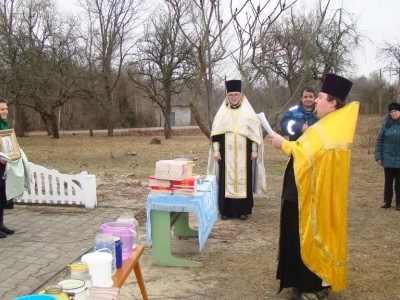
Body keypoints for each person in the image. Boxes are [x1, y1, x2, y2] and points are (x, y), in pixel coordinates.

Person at [269, 73, 358, 299]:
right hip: (300, 191)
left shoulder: (328, 128)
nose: (315, 100)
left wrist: (283, 145)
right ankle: (300, 281)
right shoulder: (328, 125)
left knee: (307, 236)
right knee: (296, 235)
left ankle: (312, 287)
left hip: (310, 196)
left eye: (320, 97)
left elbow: (307, 156)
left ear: (333, 103)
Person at [207, 80, 267, 220]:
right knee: (225, 179)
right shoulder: (222, 114)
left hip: (244, 153)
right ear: (227, 96)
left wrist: (254, 149)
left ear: (241, 95)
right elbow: (216, 134)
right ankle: (226, 210)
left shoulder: (248, 114)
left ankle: (242, 210)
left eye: (236, 94)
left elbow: (254, 135)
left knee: (243, 178)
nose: (234, 97)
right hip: (226, 154)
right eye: (231, 95)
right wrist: (216, 150)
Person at [375, 102, 400, 211]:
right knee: (388, 182)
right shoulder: (386, 125)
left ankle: (399, 203)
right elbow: (380, 141)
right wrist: (378, 156)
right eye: (391, 112)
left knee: (399, 183)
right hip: (388, 158)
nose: (393, 113)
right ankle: (387, 201)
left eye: (395, 111)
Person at [0, 98, 14, 238]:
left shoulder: (4, 125)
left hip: (4, 166)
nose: (5, 111)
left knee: (2, 196)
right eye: (2, 109)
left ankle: (0, 224)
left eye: (6, 109)